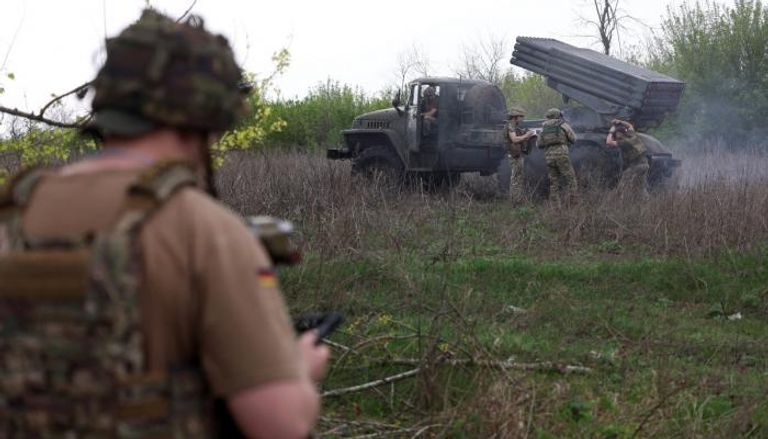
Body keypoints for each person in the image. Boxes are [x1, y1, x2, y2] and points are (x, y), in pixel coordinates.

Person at [0, 9, 328, 438]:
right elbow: (279, 422)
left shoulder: (14, 212)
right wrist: (300, 370)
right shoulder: (204, 229)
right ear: (206, 118)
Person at [537, 108, 578, 201]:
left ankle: (555, 207)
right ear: (558, 115)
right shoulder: (563, 125)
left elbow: (539, 144)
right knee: (570, 179)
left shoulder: (544, 127)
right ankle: (573, 203)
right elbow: (574, 139)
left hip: (549, 157)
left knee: (554, 182)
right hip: (562, 155)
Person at [606, 119, 649, 198]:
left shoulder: (625, 142)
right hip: (645, 164)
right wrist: (620, 122)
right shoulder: (631, 135)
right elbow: (630, 126)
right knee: (641, 187)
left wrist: (611, 132)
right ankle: (646, 201)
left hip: (637, 165)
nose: (617, 137)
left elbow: (609, 142)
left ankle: (621, 200)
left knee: (624, 182)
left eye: (617, 135)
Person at [506, 108, 536, 202]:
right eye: (521, 116)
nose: (522, 118)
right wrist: (527, 135)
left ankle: (516, 199)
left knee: (517, 178)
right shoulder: (510, 125)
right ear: (515, 117)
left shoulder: (515, 126)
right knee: (516, 179)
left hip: (517, 155)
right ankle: (516, 201)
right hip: (514, 156)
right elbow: (514, 139)